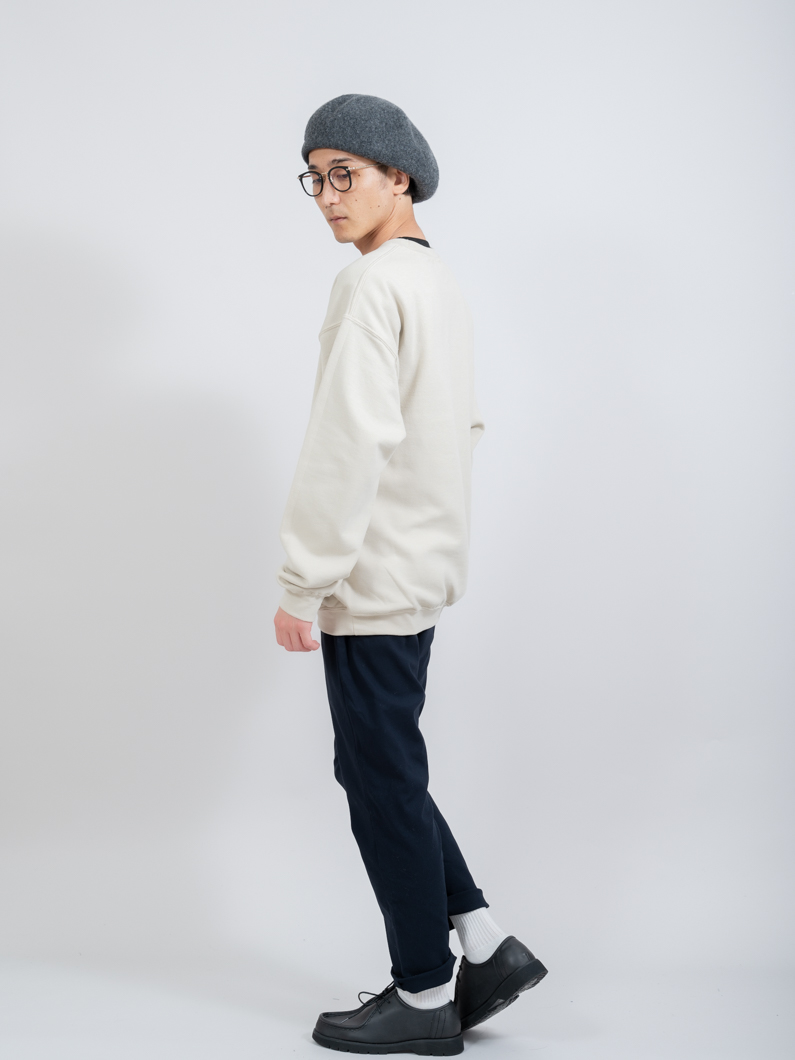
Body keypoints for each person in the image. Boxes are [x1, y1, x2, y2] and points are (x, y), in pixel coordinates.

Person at [273, 94, 547, 1055]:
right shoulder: (436, 283)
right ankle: (486, 943)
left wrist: (303, 580)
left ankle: (426, 994)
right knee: (378, 768)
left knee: (381, 784)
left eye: (344, 173)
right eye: (314, 177)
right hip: (419, 566)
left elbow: (345, 444)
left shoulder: (371, 285)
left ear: (400, 176)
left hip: (372, 573)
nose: (325, 195)